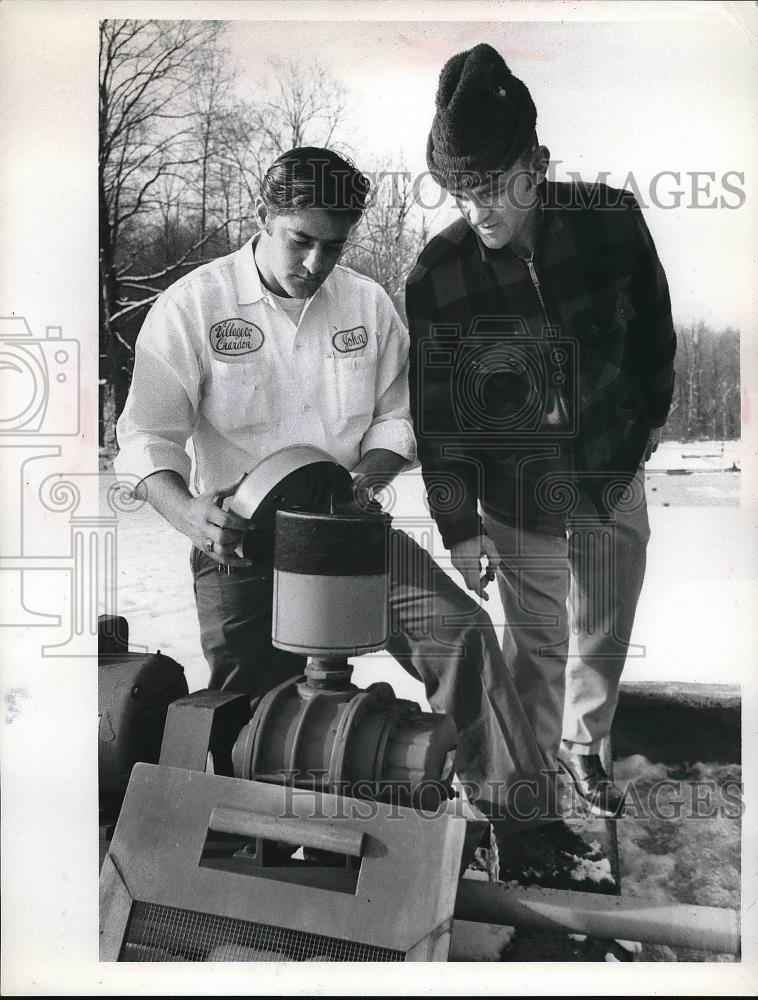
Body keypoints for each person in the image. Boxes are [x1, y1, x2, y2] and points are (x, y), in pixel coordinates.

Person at [115, 146, 606, 887]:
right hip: (239, 539)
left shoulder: (367, 305)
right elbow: (144, 436)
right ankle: (271, 877)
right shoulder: (193, 305)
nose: (316, 261)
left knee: (463, 636)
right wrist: (188, 512)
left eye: (333, 244)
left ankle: (524, 826)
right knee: (249, 722)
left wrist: (372, 471)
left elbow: (398, 417)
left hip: (345, 527)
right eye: (301, 239)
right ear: (263, 217)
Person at [407, 45, 676, 820]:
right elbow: (440, 420)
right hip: (515, 497)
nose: (477, 209)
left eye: (492, 186)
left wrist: (649, 421)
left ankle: (587, 748)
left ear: (539, 161)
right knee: (536, 651)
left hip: (611, 472)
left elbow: (656, 335)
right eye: (460, 192)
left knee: (604, 629)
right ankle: (531, 795)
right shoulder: (438, 277)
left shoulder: (613, 225)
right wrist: (458, 524)